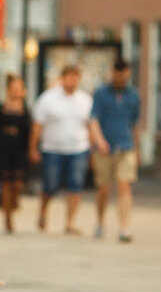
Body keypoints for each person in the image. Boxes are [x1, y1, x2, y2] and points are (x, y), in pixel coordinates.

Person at [30, 64, 92, 235]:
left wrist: (93, 148)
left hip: (78, 149)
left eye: (75, 77)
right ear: (62, 78)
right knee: (50, 185)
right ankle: (43, 212)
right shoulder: (48, 98)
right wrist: (33, 148)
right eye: (68, 77)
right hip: (52, 149)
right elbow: (37, 126)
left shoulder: (85, 100)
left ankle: (70, 222)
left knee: (76, 185)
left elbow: (91, 125)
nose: (71, 81)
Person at [89, 59, 141, 243]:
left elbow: (135, 124)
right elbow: (93, 120)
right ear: (113, 73)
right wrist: (99, 140)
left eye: (124, 75)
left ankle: (124, 227)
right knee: (104, 188)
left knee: (124, 185)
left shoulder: (133, 95)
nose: (121, 78)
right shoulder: (101, 93)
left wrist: (137, 149)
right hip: (104, 148)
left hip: (126, 147)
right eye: (118, 75)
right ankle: (100, 221)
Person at [0, 74, 32, 234]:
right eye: (14, 88)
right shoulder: (0, 109)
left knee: (17, 183)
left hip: (19, 150)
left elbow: (29, 132)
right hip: (3, 149)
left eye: (19, 88)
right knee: (6, 182)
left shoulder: (25, 110)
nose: (17, 91)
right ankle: (7, 216)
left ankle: (13, 205)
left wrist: (31, 150)